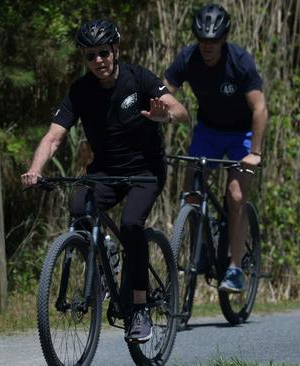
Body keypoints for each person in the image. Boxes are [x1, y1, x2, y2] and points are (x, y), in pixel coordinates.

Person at [21, 19, 188, 344]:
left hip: (145, 171)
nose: (98, 61)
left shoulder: (138, 78)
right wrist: (35, 169)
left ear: (116, 50)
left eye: (103, 53)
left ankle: (139, 310)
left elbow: (181, 110)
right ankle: (102, 253)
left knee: (130, 224)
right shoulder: (80, 91)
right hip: (104, 172)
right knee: (78, 206)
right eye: (89, 56)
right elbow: (53, 137)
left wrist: (164, 116)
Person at [163, 4, 268, 293]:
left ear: (224, 39)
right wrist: (158, 113)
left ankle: (235, 268)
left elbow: (259, 108)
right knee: (191, 192)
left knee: (235, 194)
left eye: (214, 41)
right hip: (208, 131)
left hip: (241, 135)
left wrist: (255, 152)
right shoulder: (188, 58)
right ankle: (200, 243)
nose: (207, 47)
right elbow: (163, 93)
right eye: (202, 40)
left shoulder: (240, 61)